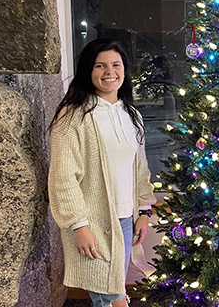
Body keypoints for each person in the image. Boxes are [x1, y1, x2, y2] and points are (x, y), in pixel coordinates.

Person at [48, 38, 156, 307]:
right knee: (109, 294)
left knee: (112, 289)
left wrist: (143, 211)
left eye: (116, 65)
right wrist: (78, 225)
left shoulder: (132, 115)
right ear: (89, 70)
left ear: (124, 69)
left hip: (125, 219)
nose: (110, 72)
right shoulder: (73, 117)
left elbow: (139, 167)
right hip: (92, 221)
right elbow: (63, 177)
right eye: (100, 65)